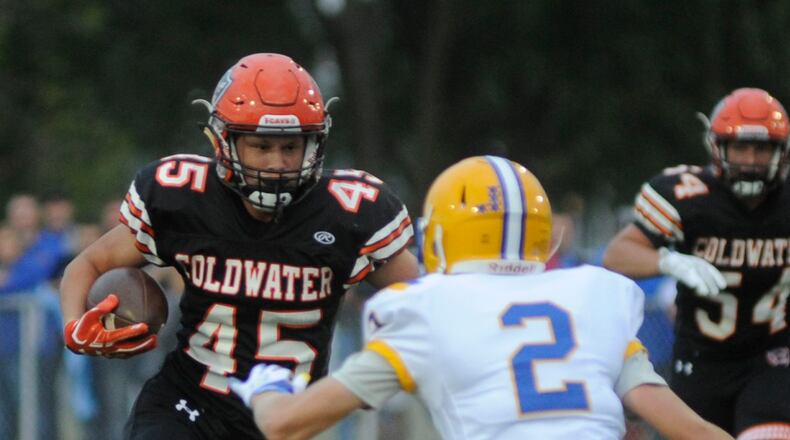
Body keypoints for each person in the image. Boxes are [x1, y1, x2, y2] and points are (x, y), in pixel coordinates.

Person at [228, 156, 731, 440]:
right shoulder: (591, 300)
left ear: (442, 235)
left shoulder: (425, 310)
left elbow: (286, 426)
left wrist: (268, 388)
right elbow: (693, 431)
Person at [59, 52, 418, 440]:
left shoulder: (349, 213)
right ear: (223, 142)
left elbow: (427, 301)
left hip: (284, 421)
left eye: (290, 147)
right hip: (188, 403)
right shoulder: (183, 196)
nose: (277, 163)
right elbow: (88, 265)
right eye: (261, 146)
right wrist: (75, 326)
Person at [603, 88, 790, 438]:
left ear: (780, 151)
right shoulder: (688, 195)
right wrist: (668, 260)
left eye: (761, 149)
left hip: (773, 357)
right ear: (717, 147)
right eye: (741, 147)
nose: (750, 160)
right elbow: (617, 254)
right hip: (701, 361)